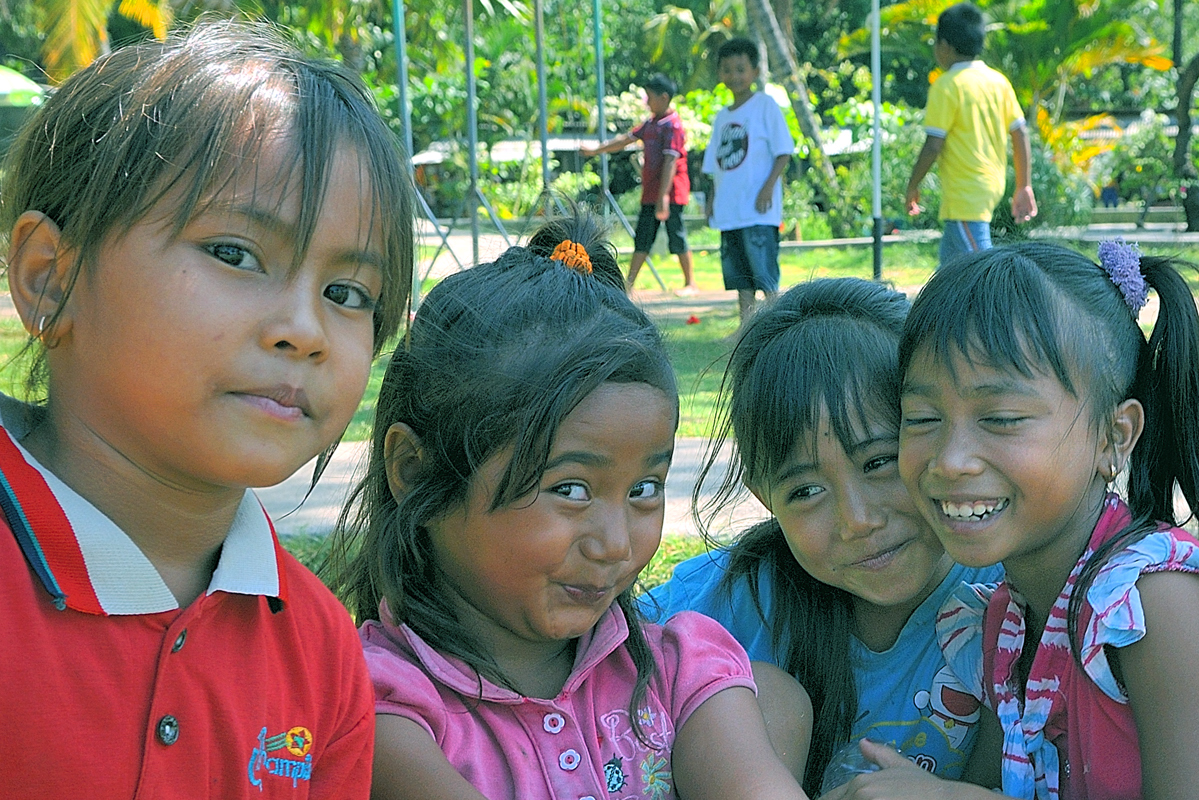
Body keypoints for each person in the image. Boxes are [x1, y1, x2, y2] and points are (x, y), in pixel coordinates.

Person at [0, 22, 415, 798]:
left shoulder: (320, 649)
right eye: (234, 253)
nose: (303, 328)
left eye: (347, 294)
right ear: (49, 277)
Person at [330, 211, 813, 800]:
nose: (614, 544)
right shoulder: (379, 711)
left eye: (644, 490)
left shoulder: (680, 674)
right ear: (415, 471)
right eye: (571, 489)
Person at [847, 240, 1199, 799]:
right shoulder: (1005, 623)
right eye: (921, 417)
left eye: (1002, 418)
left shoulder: (1155, 607)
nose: (950, 459)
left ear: (1115, 436)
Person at [642, 278, 1004, 797]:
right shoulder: (724, 606)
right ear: (765, 496)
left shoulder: (1013, 592)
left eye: (878, 462)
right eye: (807, 490)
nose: (857, 520)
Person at [904, 2, 1037, 268]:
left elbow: (933, 145)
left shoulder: (946, 86)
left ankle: (1009, 309)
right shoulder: (998, 82)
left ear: (945, 45)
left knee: (984, 272)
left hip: (967, 195)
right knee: (949, 276)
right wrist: (1024, 185)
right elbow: (1020, 132)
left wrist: (912, 186)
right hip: (987, 186)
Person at [703, 37, 794, 333]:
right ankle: (746, 329)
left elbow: (783, 153)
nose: (734, 76)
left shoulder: (765, 106)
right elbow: (715, 166)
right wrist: (712, 200)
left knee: (765, 275)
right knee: (739, 278)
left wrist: (767, 188)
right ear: (720, 73)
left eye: (741, 69)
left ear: (755, 71)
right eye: (727, 69)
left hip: (758, 211)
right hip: (730, 212)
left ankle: (776, 328)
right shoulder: (721, 118)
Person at [581, 74, 698, 295]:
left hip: (670, 193)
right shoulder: (651, 124)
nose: (647, 102)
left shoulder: (673, 126)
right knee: (643, 237)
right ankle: (629, 285)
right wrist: (596, 150)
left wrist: (663, 196)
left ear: (664, 98)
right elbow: (626, 139)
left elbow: (671, 161)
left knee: (677, 235)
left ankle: (690, 283)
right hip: (651, 193)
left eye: (650, 97)